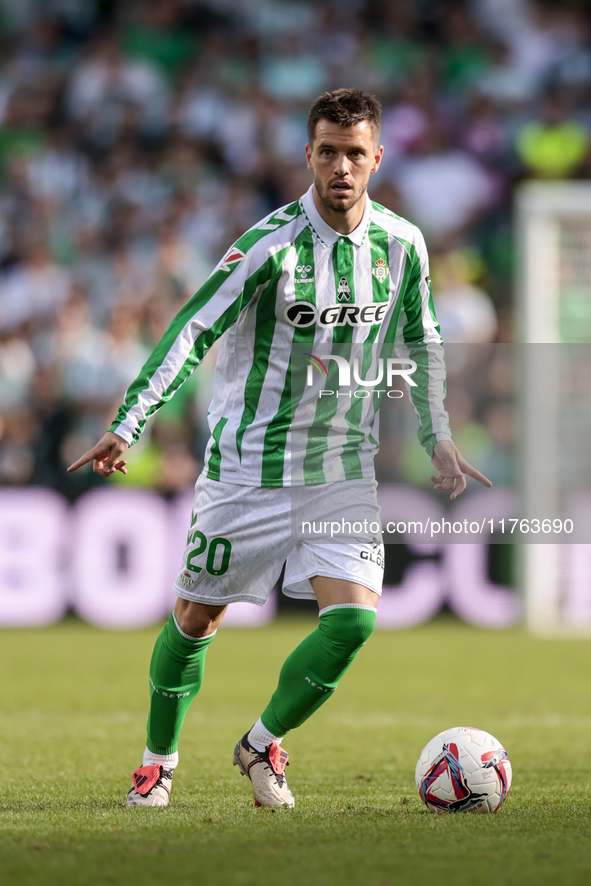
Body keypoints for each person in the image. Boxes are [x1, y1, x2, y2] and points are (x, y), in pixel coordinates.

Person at [67, 89, 491, 809]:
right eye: (327, 151)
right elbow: (193, 328)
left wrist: (437, 435)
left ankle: (262, 744)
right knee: (196, 618)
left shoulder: (403, 245)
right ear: (308, 156)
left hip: (340, 469)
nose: (341, 166)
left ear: (376, 158)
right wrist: (130, 421)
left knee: (353, 620)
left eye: (355, 153)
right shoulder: (269, 246)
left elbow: (421, 340)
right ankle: (157, 760)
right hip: (246, 470)